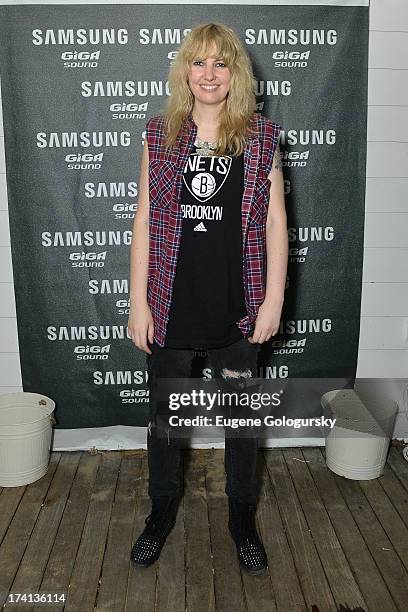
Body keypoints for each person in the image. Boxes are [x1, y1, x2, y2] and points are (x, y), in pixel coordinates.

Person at [127, 22, 287, 575]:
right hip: (170, 303)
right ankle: (161, 510)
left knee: (242, 423)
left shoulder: (262, 137)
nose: (210, 74)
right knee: (164, 420)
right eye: (199, 62)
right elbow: (146, 219)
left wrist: (272, 302)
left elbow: (274, 223)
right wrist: (138, 303)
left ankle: (242, 517)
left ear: (235, 72)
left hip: (237, 309)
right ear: (185, 72)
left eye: (221, 63)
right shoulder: (160, 134)